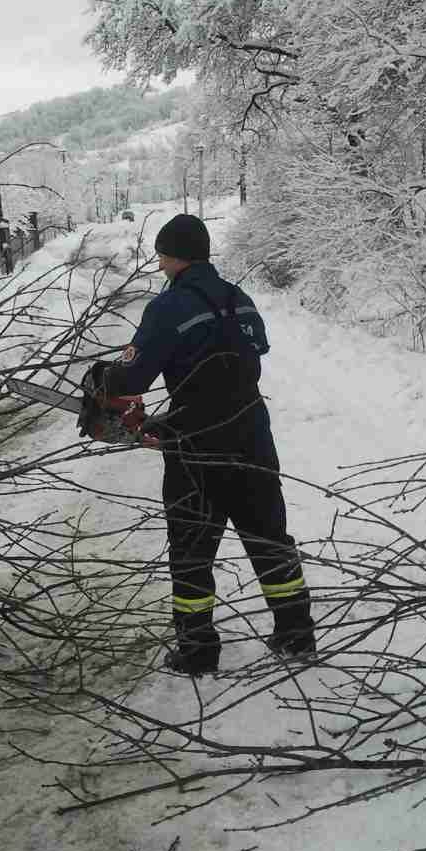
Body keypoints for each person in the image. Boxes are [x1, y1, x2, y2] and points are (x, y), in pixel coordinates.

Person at [86, 214, 314, 675]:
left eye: (162, 256)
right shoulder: (239, 299)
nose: (160, 264)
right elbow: (255, 348)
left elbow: (132, 375)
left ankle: (197, 649)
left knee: (192, 550)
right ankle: (295, 634)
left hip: (197, 445)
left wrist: (101, 380)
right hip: (252, 436)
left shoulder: (169, 307)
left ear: (173, 256)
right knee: (270, 539)